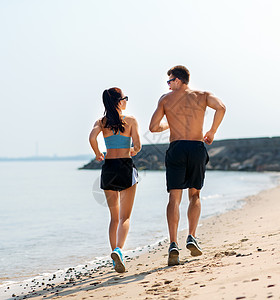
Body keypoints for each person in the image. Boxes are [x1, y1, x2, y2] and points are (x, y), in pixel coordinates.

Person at [149, 65, 226, 266]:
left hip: (176, 148)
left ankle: (173, 243)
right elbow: (221, 108)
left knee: (174, 198)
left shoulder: (165, 100)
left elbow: (153, 127)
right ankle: (191, 236)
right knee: (195, 194)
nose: (168, 85)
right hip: (196, 147)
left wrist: (170, 123)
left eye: (170, 81)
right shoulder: (203, 95)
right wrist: (212, 132)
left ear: (179, 80)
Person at [89, 87, 141, 273]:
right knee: (125, 217)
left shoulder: (101, 122)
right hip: (126, 166)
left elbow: (92, 137)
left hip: (109, 168)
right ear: (119, 102)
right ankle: (119, 250)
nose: (126, 101)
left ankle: (114, 257)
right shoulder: (131, 120)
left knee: (113, 218)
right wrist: (133, 150)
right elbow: (138, 145)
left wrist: (97, 153)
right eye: (125, 98)